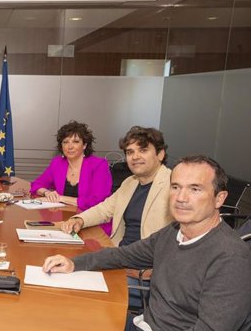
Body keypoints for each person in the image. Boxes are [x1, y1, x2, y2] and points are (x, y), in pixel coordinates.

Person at [43, 156, 251, 331]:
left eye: (195, 189)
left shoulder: (230, 258)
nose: (181, 198)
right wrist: (74, 263)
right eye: (176, 187)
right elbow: (124, 254)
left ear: (220, 199)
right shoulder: (173, 233)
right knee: (62, 329)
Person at [59, 126, 173, 309]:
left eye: (143, 150)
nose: (135, 157)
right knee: (65, 275)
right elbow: (105, 209)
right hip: (120, 259)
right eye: (130, 152)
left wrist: (152, 269)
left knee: (76, 297)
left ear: (160, 154)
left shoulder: (174, 186)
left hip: (144, 276)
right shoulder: (131, 182)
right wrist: (79, 219)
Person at [30, 120, 112, 234]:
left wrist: (61, 198)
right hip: (64, 221)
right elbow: (36, 184)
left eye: (75, 141)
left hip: (91, 223)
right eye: (65, 142)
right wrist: (47, 193)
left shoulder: (99, 165)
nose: (70, 146)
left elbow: (99, 202)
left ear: (84, 145)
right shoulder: (58, 163)